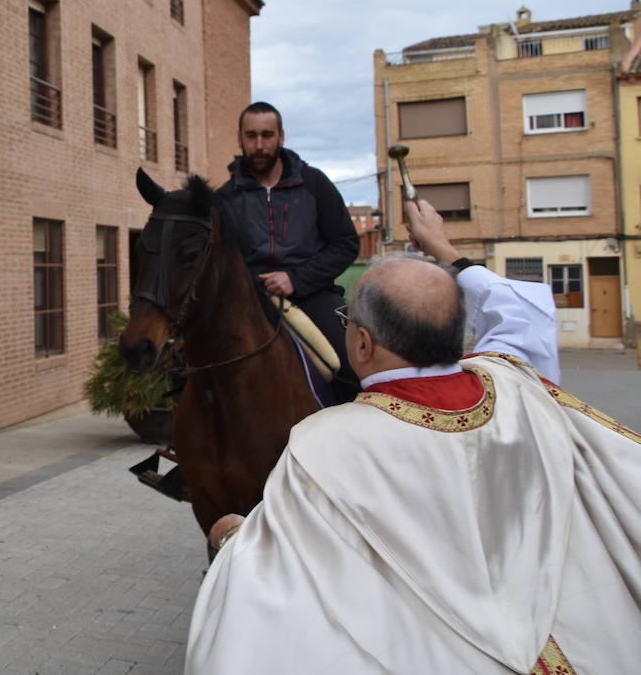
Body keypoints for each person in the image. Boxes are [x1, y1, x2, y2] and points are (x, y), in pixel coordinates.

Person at [185, 198, 639, 674]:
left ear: (362, 343)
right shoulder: (518, 383)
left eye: (348, 324)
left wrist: (230, 535)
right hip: (583, 648)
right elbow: (517, 313)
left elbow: (269, 584)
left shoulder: (324, 446)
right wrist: (442, 246)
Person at [217, 101, 361, 401]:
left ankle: (346, 437)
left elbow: (346, 244)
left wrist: (296, 279)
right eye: (251, 136)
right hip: (249, 301)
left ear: (281, 137)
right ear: (239, 139)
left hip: (312, 295)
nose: (259, 145)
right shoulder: (225, 198)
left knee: (352, 365)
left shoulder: (314, 183)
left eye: (267, 135)